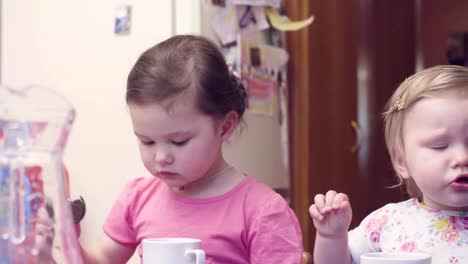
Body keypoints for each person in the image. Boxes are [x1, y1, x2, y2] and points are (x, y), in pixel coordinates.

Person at [80, 35, 303, 263]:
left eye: (179, 142)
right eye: (147, 142)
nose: (161, 157)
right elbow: (102, 258)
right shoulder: (137, 198)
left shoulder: (262, 211)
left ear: (224, 127)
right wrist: (68, 239)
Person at [309, 65, 468, 264]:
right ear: (402, 162)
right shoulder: (388, 222)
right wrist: (331, 237)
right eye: (440, 146)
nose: (462, 157)